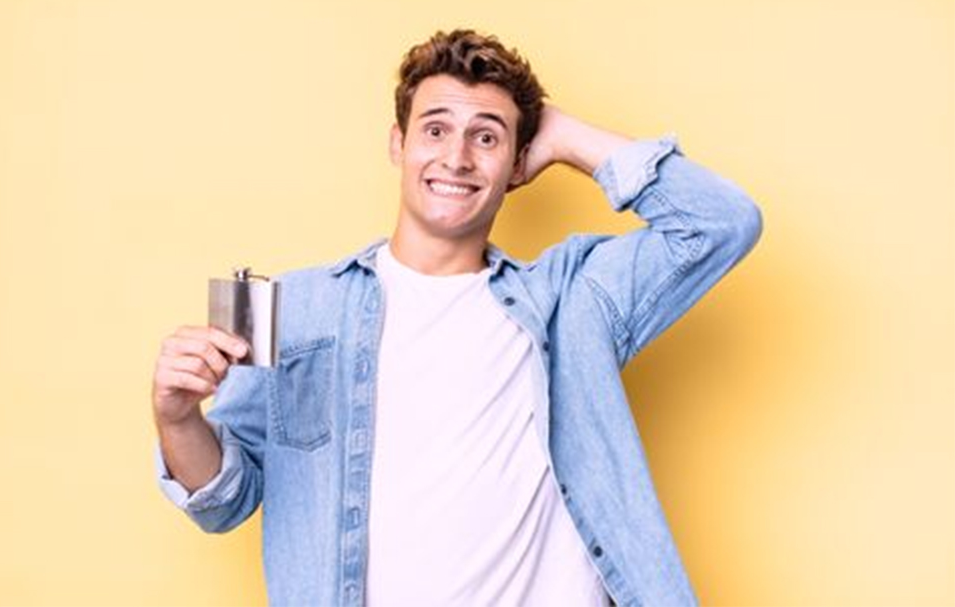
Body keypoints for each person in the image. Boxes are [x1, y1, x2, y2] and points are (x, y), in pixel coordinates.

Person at [152, 29, 762, 607]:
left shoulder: (569, 301)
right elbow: (223, 501)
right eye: (436, 129)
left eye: (487, 137)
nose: (457, 157)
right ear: (398, 142)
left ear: (520, 162)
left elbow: (721, 223)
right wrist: (177, 417)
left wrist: (567, 136)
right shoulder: (293, 305)